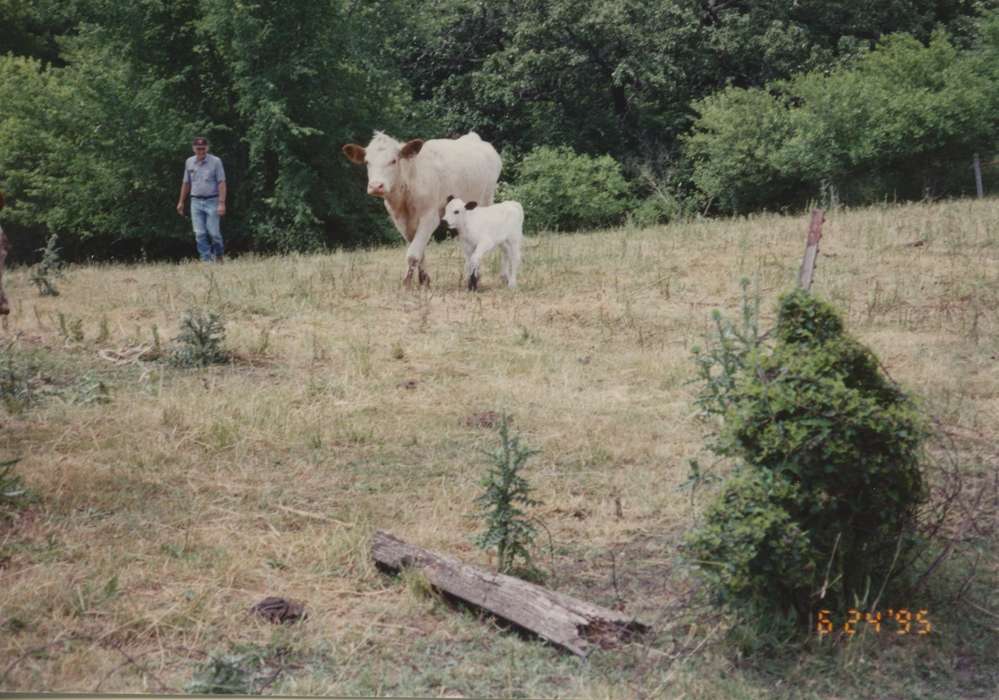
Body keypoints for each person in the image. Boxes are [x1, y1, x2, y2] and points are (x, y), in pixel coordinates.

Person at [177, 136, 227, 262]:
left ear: (207, 148)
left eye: (203, 149)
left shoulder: (216, 161)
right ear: (194, 149)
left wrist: (222, 203)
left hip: (212, 200)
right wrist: (181, 202)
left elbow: (221, 182)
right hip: (195, 201)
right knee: (199, 233)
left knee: (214, 232)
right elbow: (186, 183)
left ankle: (219, 255)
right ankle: (206, 260)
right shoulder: (189, 162)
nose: (201, 151)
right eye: (198, 149)